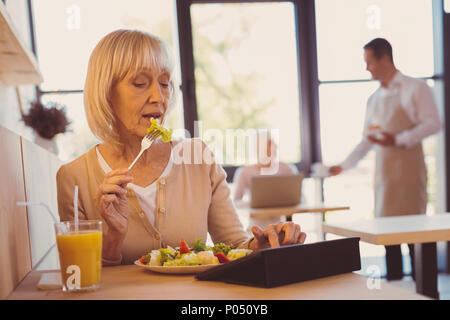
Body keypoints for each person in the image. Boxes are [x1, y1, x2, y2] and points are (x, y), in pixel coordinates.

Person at [56, 29, 306, 266]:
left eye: (164, 84)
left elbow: (234, 245)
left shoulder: (199, 158)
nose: (158, 97)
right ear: (106, 92)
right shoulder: (74, 178)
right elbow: (79, 275)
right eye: (141, 83)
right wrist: (113, 238)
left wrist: (263, 245)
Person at [329, 38, 441, 280]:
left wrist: (399, 139)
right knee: (388, 237)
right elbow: (367, 140)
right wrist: (344, 165)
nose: (366, 68)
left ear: (385, 58)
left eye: (369, 62)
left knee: (414, 234)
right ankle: (395, 287)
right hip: (385, 176)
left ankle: (424, 287)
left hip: (410, 174)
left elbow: (434, 124)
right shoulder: (374, 99)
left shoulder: (416, 88)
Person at [233, 133, 300, 230]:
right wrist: (253, 203)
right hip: (255, 227)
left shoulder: (287, 169)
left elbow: (300, 198)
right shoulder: (244, 172)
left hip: (284, 226)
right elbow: (235, 202)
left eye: (272, 146)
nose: (271, 150)